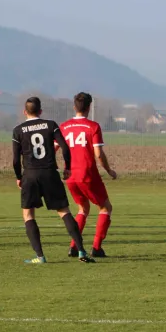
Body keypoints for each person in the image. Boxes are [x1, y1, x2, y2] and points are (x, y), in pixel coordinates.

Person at [12, 96, 95, 264]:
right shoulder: (51, 125)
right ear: (40, 111)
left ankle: (40, 256)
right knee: (64, 211)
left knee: (28, 214)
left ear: (24, 112)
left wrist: (19, 177)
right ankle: (81, 251)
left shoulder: (18, 130)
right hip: (50, 173)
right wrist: (67, 167)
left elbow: (15, 159)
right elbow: (64, 147)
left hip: (30, 174)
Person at [58, 92, 117, 257]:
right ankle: (96, 248)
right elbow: (98, 154)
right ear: (89, 107)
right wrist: (109, 170)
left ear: (74, 106)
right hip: (87, 175)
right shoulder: (93, 126)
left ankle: (74, 246)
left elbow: (53, 149)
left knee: (82, 208)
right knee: (105, 207)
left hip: (70, 177)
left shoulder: (64, 126)